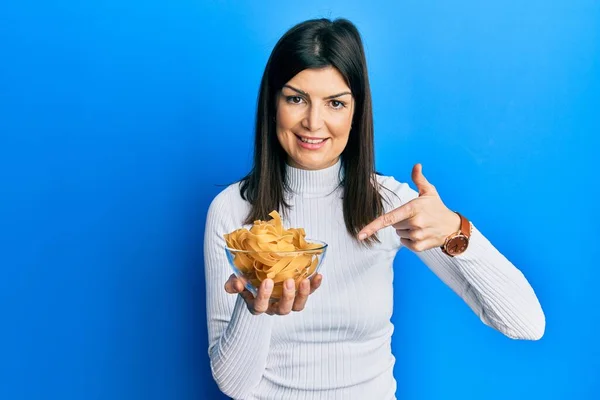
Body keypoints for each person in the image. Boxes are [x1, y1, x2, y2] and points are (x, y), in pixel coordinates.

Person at [203, 18, 545, 400]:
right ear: (273, 103)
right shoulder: (232, 211)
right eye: (296, 98)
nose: (313, 122)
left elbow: (526, 323)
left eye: (335, 103)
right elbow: (233, 384)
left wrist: (454, 229)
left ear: (356, 111)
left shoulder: (391, 205)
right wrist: (256, 309)